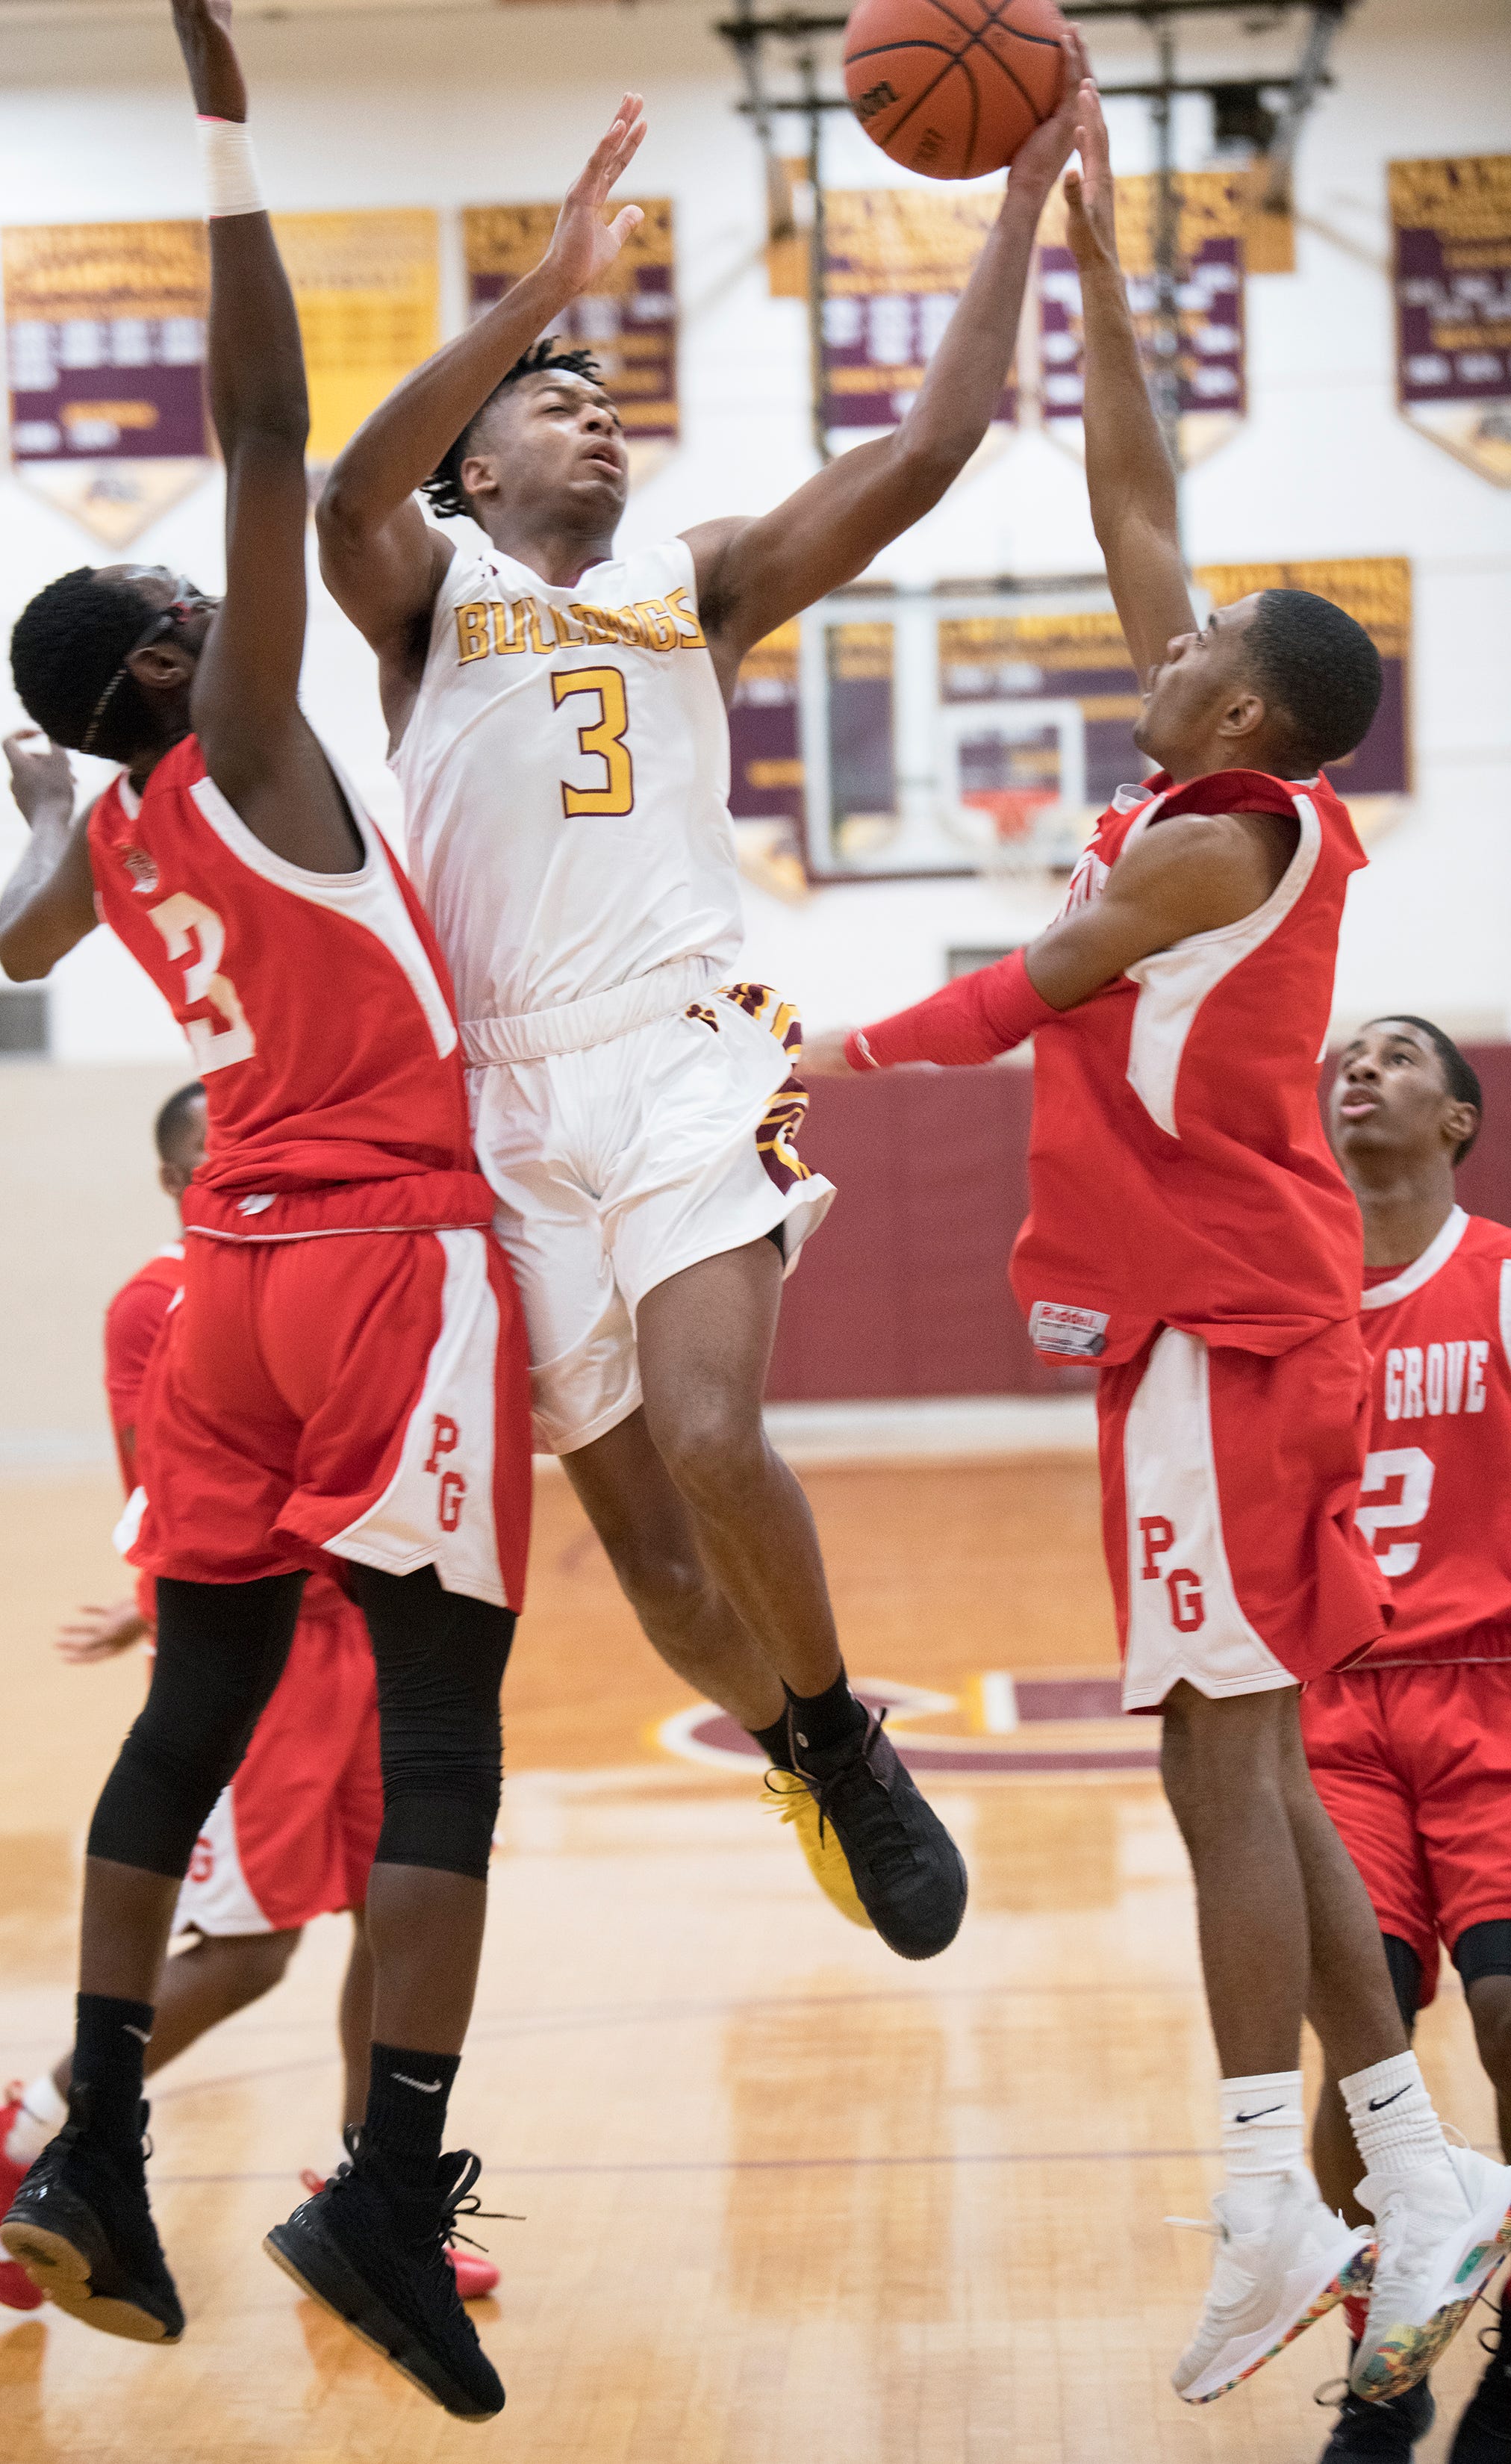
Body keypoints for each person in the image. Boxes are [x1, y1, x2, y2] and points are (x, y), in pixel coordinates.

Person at [798, 87, 1511, 2409]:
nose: (1167, 627)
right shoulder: (1209, 776)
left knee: (1212, 1765)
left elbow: (1024, 994)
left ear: (1252, 711)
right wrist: (1094, 249)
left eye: (1201, 640)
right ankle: (1408, 2165)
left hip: (1224, 1329)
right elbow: (1135, 490)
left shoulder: (1229, 839)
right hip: (1233, 1331)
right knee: (1266, 1760)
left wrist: (810, 1041)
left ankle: (1260, 2192)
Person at [314, 52, 1088, 1961]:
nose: (595, 426)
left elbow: (925, 451)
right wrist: (538, 295)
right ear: (474, 468)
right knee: (645, 1547)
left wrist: (1009, 207)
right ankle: (797, 1742)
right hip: (505, 1097)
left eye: (604, 404)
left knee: (716, 1435)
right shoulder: (422, 596)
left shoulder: (699, 583)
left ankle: (843, 1737)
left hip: (675, 1045)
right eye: (554, 408)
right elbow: (338, 486)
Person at [0, 0, 530, 2420]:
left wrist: (44, 780)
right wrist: (222, 128)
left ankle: (90, 2147)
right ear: (174, 659)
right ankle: (390, 2187)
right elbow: (277, 435)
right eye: (173, 603)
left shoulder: (105, 838)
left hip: (228, 1287)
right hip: (388, 1260)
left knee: (196, 1710)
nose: (205, 601)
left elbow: (10, 939)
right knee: (442, 1725)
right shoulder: (257, 744)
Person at [0, 1081, 499, 2316]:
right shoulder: (159, 1298)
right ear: (185, 1178)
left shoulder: (353, 1254)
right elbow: (176, 1476)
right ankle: (10, 2137)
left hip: (369, 1632)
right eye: (213, 1157)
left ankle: (375, 2199)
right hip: (265, 1649)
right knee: (249, 1951)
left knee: (386, 1919)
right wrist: (154, 1598)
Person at [1304, 1018, 1511, 2464]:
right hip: (1330, 1716)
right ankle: (1386, 2369)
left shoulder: (1496, 1279)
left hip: (1491, 1689)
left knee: (1507, 2019)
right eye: (1338, 1057)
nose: (1353, 1069)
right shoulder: (1275, 1289)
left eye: (1393, 1054)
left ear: (1455, 1118)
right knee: (1360, 2056)